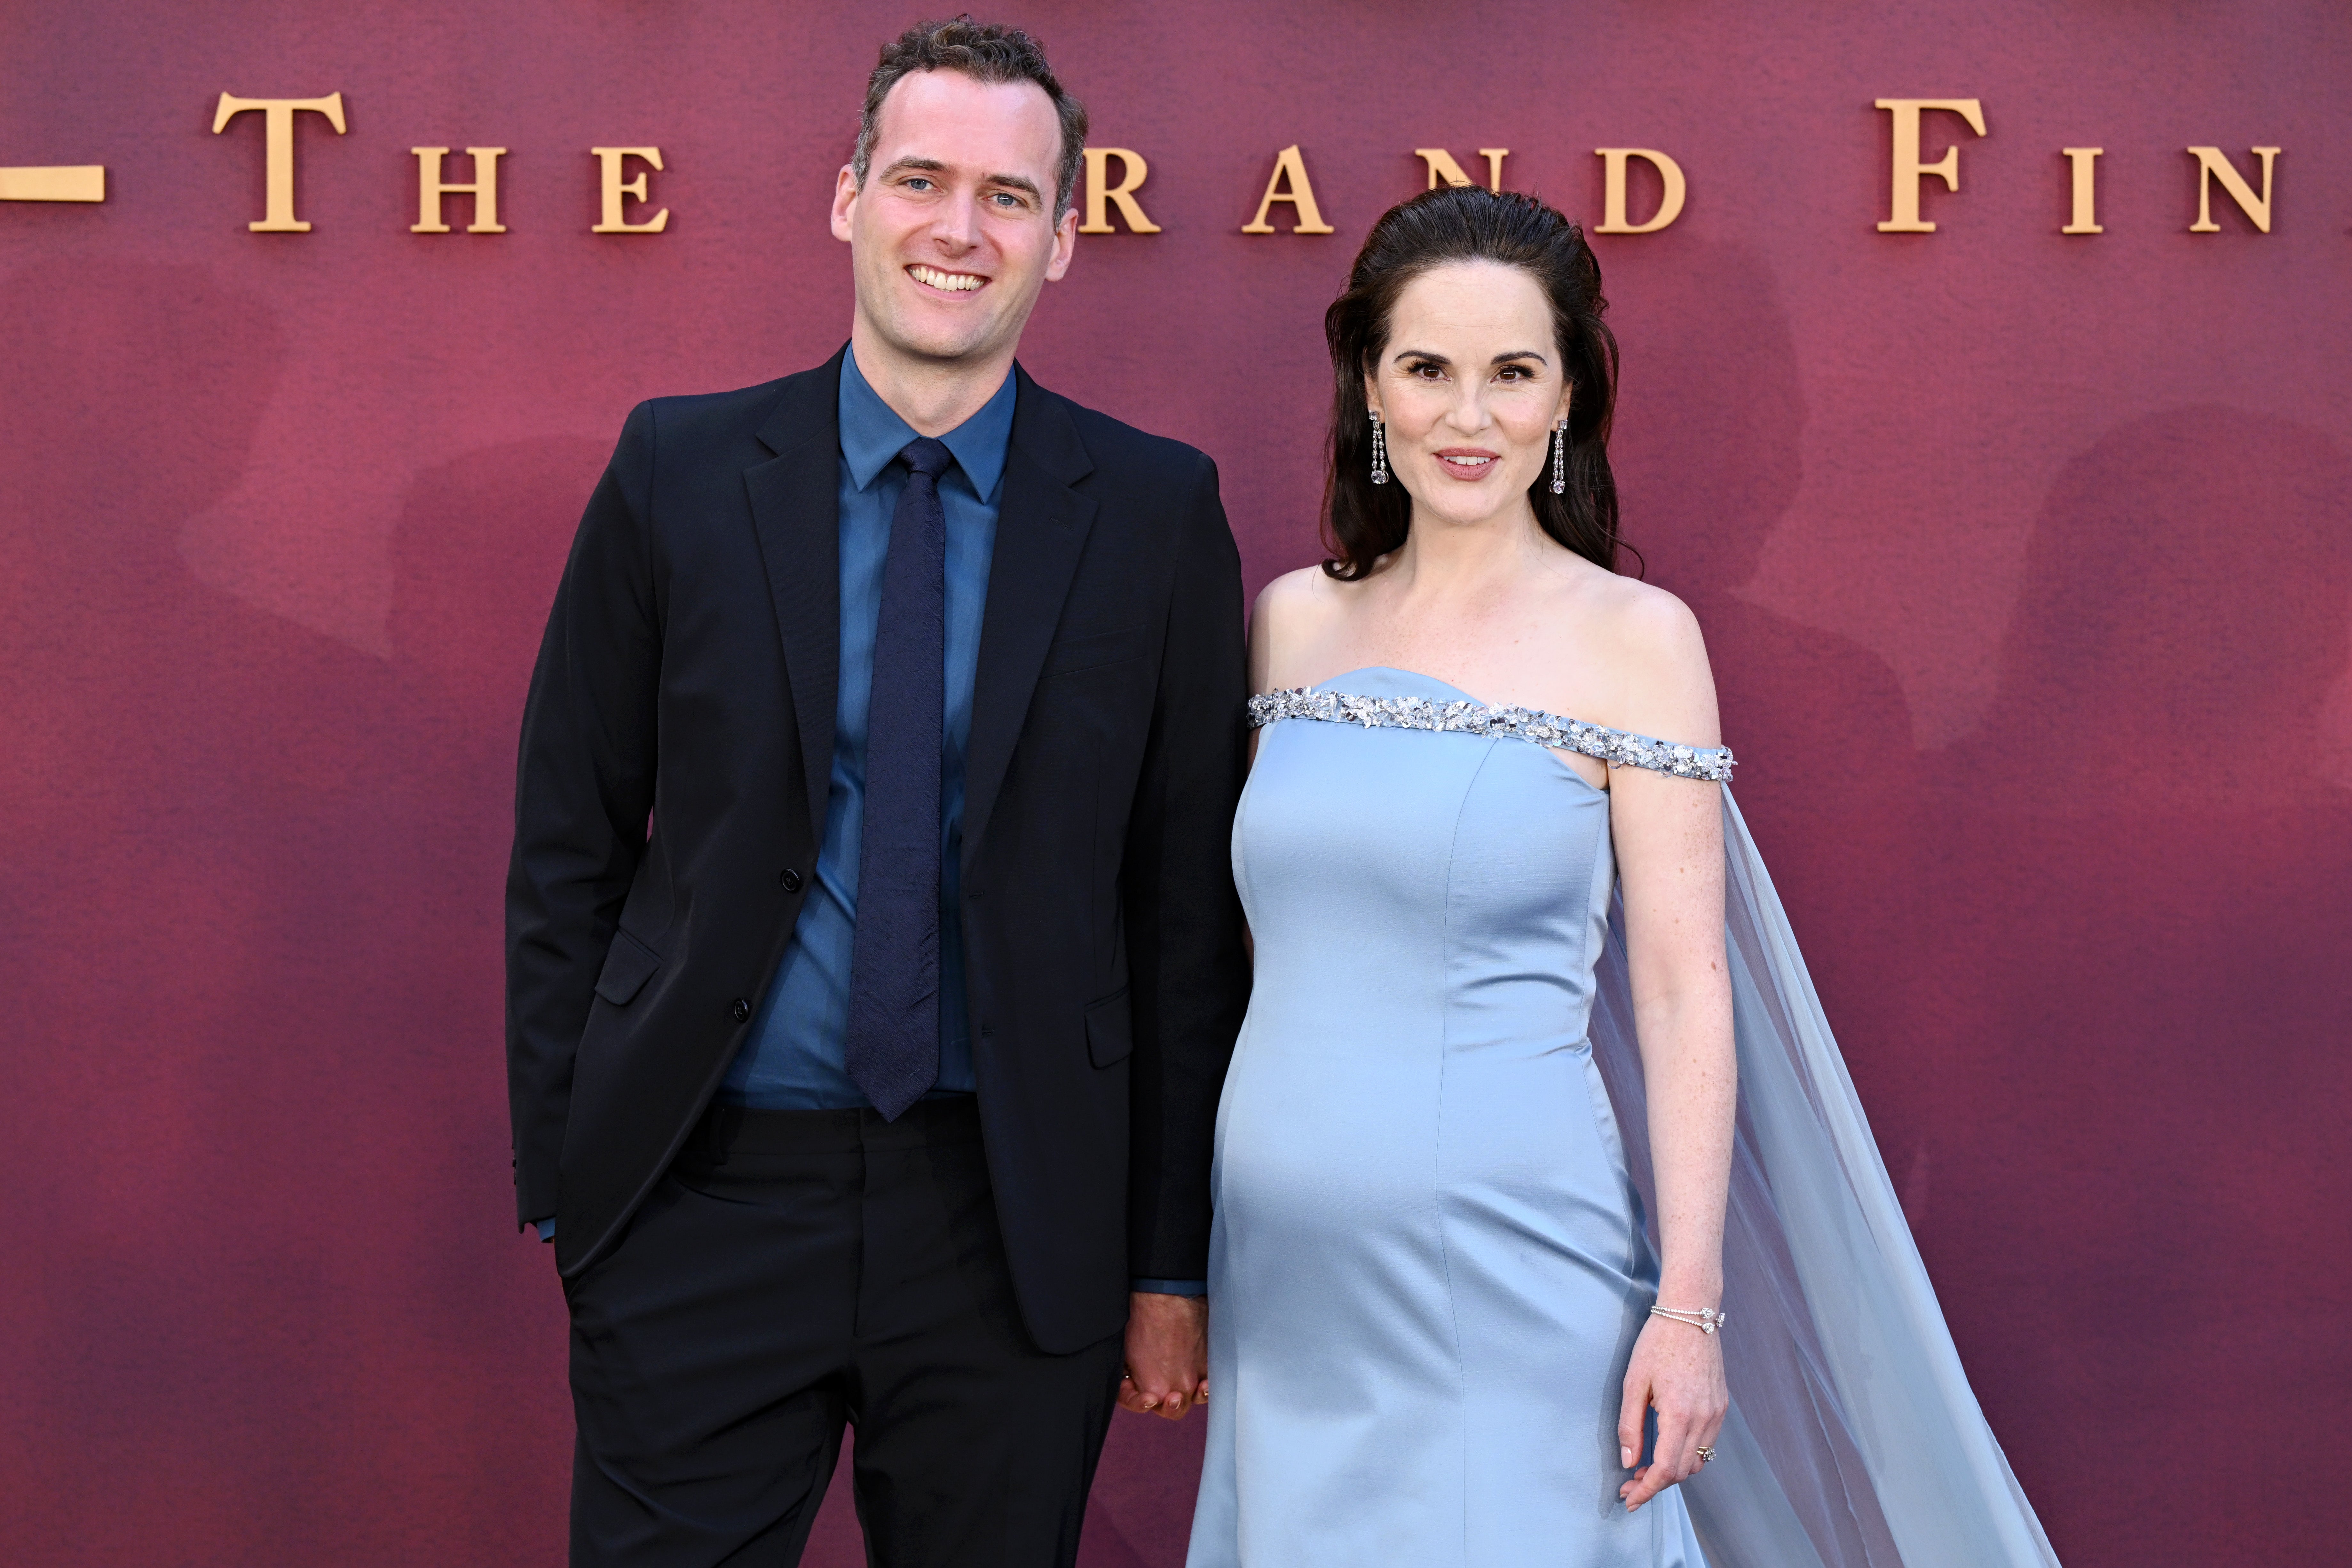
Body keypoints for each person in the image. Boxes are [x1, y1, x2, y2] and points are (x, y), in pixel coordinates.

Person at [1188, 186, 2059, 1567]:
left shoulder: (1637, 641)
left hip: (1520, 1248)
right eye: (1428, 369)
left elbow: (1678, 981)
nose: (1468, 417)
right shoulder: (1290, 624)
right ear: (1371, 383)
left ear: (1567, 398)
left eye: (1513, 372)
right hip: (1285, 1264)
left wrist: (1690, 1304)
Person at [506, 19, 1246, 1566]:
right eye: (920, 179)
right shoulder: (680, 471)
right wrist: (579, 1183)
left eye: (1007, 195)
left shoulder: (1157, 512)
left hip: (1015, 1212)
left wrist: (1168, 1260)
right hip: (703, 1197)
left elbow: (1186, 917)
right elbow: (570, 840)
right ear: (847, 198)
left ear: (1062, 233)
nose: (958, 231)